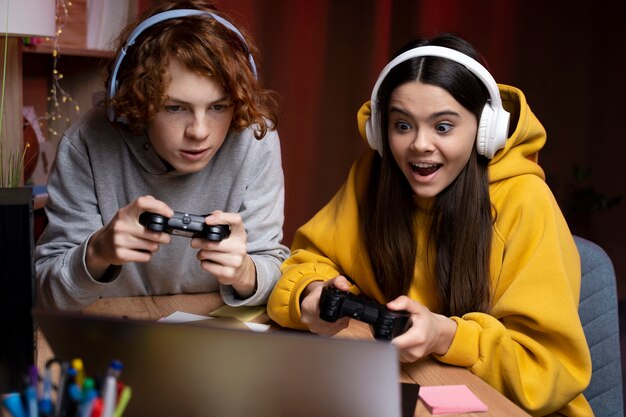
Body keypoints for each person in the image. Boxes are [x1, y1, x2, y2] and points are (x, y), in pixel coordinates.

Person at [267, 33, 592, 416]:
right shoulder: (374, 175)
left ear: (486, 131)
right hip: (412, 389)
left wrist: (448, 336)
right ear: (380, 131)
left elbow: (549, 369)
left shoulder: (526, 202)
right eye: (402, 126)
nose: (420, 144)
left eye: (443, 127)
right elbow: (310, 260)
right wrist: (311, 293)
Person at [36, 0, 289, 311]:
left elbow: (275, 272)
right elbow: (47, 294)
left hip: (213, 331)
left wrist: (245, 272)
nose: (199, 131)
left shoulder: (254, 138)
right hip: (113, 329)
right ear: (135, 101)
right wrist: (97, 252)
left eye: (218, 107)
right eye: (175, 108)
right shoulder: (87, 142)